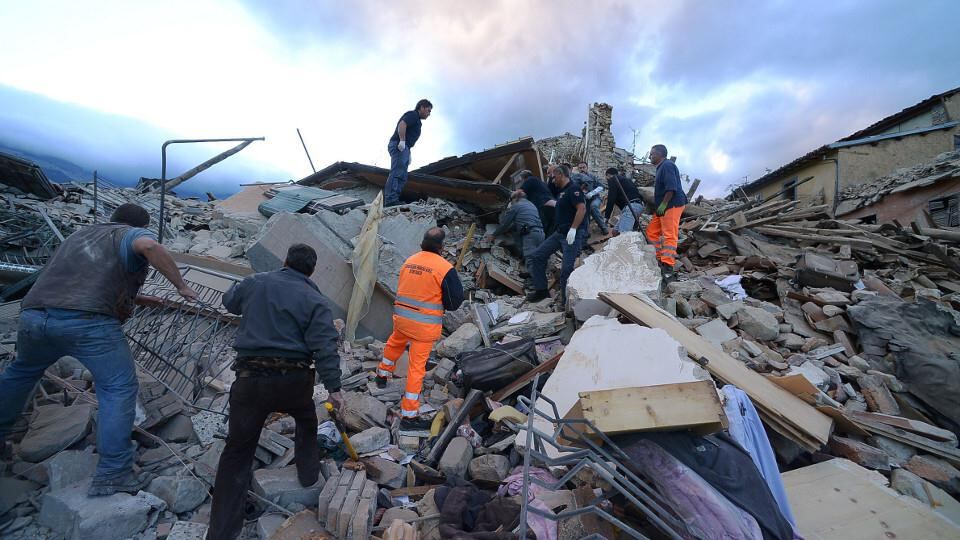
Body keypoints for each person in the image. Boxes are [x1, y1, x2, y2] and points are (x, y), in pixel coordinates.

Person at [0, 203, 198, 496]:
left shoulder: (78, 237)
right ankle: (113, 472)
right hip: (87, 322)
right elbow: (151, 246)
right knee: (117, 387)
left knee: (21, 372)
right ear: (136, 224)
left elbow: (81, 278)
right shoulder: (131, 235)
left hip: (33, 316)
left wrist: (135, 297)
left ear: (112, 219)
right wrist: (181, 286)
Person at [208, 244, 342, 540]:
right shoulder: (315, 299)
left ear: (285, 261)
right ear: (311, 270)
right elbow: (325, 347)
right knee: (307, 419)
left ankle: (221, 532)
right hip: (293, 383)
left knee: (237, 452)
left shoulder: (256, 282)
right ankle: (308, 472)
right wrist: (335, 389)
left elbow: (230, 301)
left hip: (250, 381)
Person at [375, 228, 464, 429]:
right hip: (423, 327)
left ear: (422, 243)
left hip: (402, 319)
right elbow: (454, 302)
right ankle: (409, 415)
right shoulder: (444, 268)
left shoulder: (410, 261)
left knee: (394, 345)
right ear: (441, 247)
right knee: (416, 369)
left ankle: (382, 375)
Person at [527, 164, 587, 304]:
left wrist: (573, 229)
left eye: (554, 177)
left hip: (571, 234)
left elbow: (582, 209)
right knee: (537, 256)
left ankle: (566, 303)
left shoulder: (574, 189)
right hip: (559, 233)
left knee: (566, 269)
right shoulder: (562, 192)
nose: (553, 180)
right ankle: (542, 291)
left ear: (560, 175)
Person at [647, 145, 687, 277]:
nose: (650, 156)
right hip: (663, 206)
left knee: (669, 234)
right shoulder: (660, 168)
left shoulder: (667, 165)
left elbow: (671, 187)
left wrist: (663, 205)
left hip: (672, 204)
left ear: (660, 154)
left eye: (652, 154)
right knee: (652, 232)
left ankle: (668, 265)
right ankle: (658, 257)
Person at [384, 99, 433, 207]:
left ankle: (394, 198)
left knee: (402, 175)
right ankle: (390, 200)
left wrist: (408, 152)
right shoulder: (413, 115)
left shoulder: (418, 121)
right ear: (422, 107)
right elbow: (402, 124)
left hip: (405, 148)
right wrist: (402, 141)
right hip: (399, 145)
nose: (429, 114)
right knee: (397, 172)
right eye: (428, 110)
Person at [484, 191, 544, 272]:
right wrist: (508, 230)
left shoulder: (516, 206)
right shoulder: (531, 205)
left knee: (530, 261)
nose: (511, 203)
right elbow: (518, 223)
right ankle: (532, 275)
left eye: (511, 200)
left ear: (516, 198)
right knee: (537, 260)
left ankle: (535, 282)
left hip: (530, 235)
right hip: (540, 234)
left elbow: (504, 223)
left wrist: (493, 235)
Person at [511, 169, 556, 236]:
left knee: (541, 227)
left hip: (543, 205)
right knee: (549, 231)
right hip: (552, 206)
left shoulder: (530, 180)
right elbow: (523, 194)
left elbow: (519, 192)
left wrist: (510, 196)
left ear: (524, 178)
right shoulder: (539, 182)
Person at [604, 167, 645, 234]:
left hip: (631, 207)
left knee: (624, 236)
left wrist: (606, 217)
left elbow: (611, 199)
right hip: (638, 206)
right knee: (615, 232)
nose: (606, 179)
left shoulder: (613, 179)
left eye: (606, 177)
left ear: (608, 175)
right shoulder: (626, 180)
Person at [573, 161, 609, 235]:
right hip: (582, 200)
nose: (582, 169)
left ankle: (603, 227)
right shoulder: (575, 178)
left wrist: (592, 193)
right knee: (582, 212)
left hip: (595, 198)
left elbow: (601, 186)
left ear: (587, 168)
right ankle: (586, 233)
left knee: (593, 206)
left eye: (584, 167)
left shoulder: (592, 177)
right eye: (580, 168)